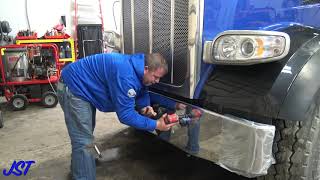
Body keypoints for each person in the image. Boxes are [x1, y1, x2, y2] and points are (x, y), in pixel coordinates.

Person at [57, 53, 176, 180]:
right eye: (155, 77)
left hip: (84, 86)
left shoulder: (139, 69)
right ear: (146, 69)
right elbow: (125, 115)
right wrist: (156, 124)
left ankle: (79, 171)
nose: (157, 81)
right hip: (74, 87)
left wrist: (145, 106)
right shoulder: (126, 75)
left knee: (84, 139)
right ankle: (82, 176)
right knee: (83, 141)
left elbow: (141, 90)